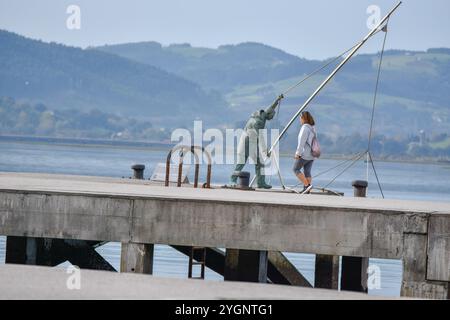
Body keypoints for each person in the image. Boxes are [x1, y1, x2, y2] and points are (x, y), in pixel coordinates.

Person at [230, 95, 284, 189]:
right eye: (271, 116)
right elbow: (260, 137)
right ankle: (233, 180)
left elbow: (270, 108)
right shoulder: (258, 122)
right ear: (268, 115)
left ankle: (260, 182)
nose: (271, 118)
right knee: (243, 162)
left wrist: (277, 100)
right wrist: (265, 151)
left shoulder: (262, 114)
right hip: (247, 142)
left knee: (258, 162)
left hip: (252, 141)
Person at [293, 111, 317, 194]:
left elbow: (301, 142)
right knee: (307, 172)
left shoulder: (304, 128)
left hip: (304, 154)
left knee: (295, 169)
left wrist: (298, 153)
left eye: (300, 117)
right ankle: (307, 190)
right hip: (312, 155)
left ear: (303, 118)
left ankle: (307, 186)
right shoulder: (312, 128)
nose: (300, 119)